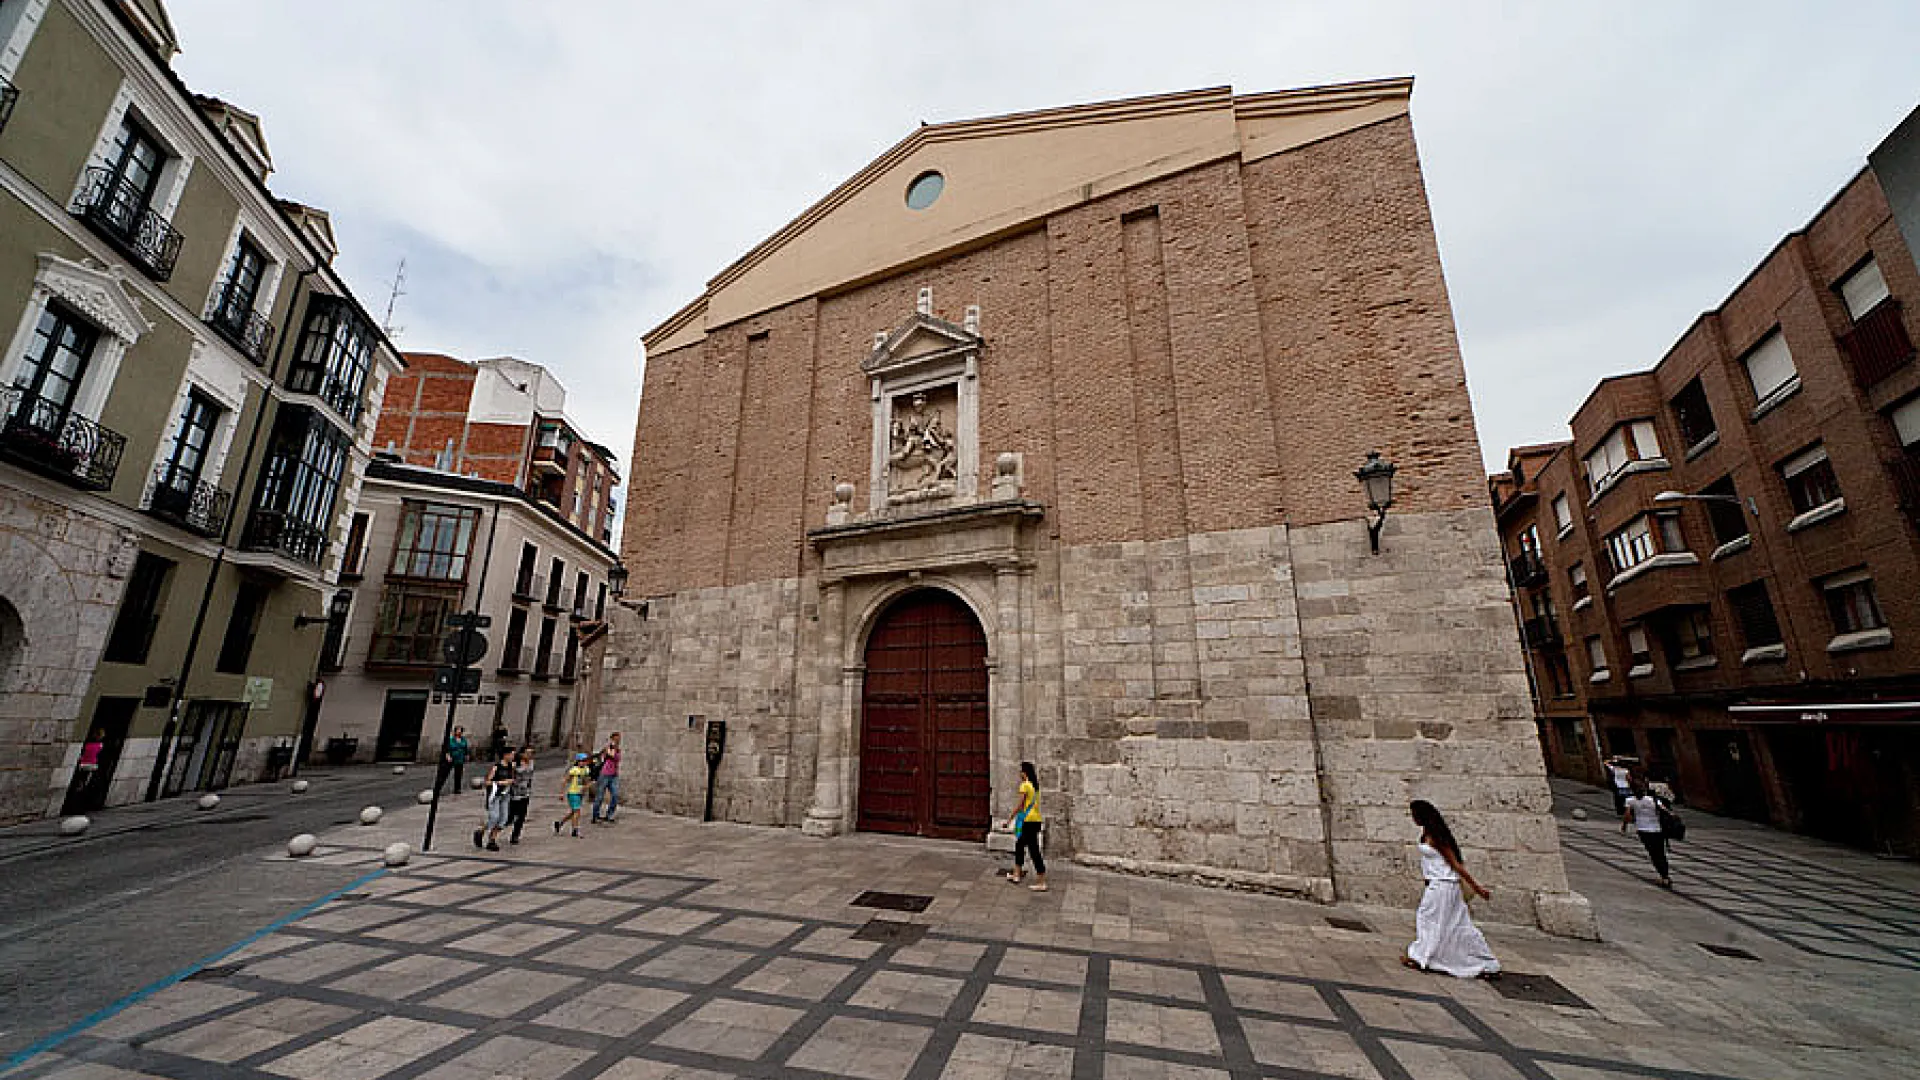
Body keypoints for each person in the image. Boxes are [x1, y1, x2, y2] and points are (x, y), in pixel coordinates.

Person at [1403, 800, 1500, 979]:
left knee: (1435, 919)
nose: (1413, 818)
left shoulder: (1437, 837)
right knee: (1436, 920)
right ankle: (1426, 955)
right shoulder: (1426, 833)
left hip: (1445, 885)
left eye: (1414, 815)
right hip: (1436, 883)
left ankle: (1426, 956)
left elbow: (1455, 864)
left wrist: (1476, 888)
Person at [1003, 762, 1048, 892]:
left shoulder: (1024, 786)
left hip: (1028, 821)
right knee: (1020, 844)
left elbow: (1020, 805)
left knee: (1033, 850)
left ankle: (1041, 881)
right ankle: (1016, 874)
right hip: (1035, 820)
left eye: (1020, 771)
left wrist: (1009, 819)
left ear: (1025, 772)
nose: (1019, 774)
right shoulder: (1035, 786)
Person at [1622, 778, 1672, 888]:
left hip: (1643, 830)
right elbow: (1666, 811)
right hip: (1657, 830)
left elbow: (1627, 816)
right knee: (1661, 853)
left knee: (1653, 853)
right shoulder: (1653, 800)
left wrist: (1624, 826)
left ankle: (1663, 876)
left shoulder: (1630, 800)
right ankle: (1666, 876)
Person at [473, 752, 515, 851]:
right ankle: (480, 831)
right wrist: (500, 782)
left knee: (503, 819)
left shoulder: (511, 766)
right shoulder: (496, 767)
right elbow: (487, 782)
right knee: (494, 818)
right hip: (495, 796)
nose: (513, 757)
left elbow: (513, 778)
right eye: (512, 754)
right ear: (506, 755)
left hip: (506, 795)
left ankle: (492, 840)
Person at [554, 753, 590, 838]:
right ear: (578, 762)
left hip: (580, 793)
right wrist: (561, 793)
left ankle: (560, 823)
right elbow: (565, 780)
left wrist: (587, 786)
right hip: (573, 793)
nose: (583, 763)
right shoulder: (574, 770)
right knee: (577, 811)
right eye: (582, 761)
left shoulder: (586, 770)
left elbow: (586, 781)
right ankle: (575, 829)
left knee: (574, 812)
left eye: (585, 761)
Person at [506, 746, 535, 844]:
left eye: (531, 753)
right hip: (514, 794)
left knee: (521, 816)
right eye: (528, 753)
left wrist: (529, 786)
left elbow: (530, 776)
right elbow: (509, 777)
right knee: (509, 818)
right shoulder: (515, 764)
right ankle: (488, 830)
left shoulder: (531, 762)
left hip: (525, 793)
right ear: (522, 754)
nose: (530, 755)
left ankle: (515, 836)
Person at [592, 733, 623, 823]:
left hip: (614, 775)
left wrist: (616, 749)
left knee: (615, 795)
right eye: (616, 739)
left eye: (619, 739)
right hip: (605, 774)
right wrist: (612, 747)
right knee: (600, 796)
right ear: (612, 739)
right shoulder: (608, 748)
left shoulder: (617, 750)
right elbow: (611, 755)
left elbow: (617, 759)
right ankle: (595, 815)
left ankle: (609, 815)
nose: (618, 741)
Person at [438, 726, 470, 796]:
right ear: (455, 732)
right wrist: (448, 756)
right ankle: (438, 788)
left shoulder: (463, 740)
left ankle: (457, 789)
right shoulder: (451, 740)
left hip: (460, 759)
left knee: (458, 775)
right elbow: (447, 749)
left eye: (460, 730)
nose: (459, 732)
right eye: (458, 730)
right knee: (445, 774)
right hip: (452, 759)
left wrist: (466, 755)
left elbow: (466, 749)